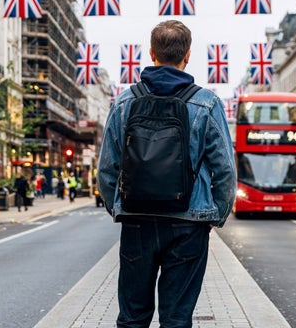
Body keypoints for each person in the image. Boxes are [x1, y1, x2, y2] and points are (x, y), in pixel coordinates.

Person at [98, 20, 236, 328]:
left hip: (137, 221)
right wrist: (214, 215)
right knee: (176, 319)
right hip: (188, 224)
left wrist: (117, 207)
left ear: (151, 54)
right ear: (187, 55)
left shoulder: (124, 102)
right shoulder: (206, 103)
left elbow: (107, 168)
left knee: (132, 317)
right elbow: (225, 169)